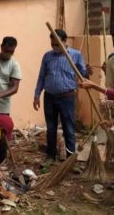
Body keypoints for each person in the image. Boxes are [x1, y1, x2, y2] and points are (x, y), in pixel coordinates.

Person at [33, 29, 88, 160]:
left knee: (68, 128)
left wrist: (87, 72)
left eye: (57, 44)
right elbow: (41, 76)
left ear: (65, 41)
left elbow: (83, 76)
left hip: (67, 97)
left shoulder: (75, 55)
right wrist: (36, 95)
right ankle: (51, 156)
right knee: (51, 129)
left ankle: (70, 158)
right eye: (53, 44)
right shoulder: (47, 56)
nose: (55, 47)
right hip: (50, 97)